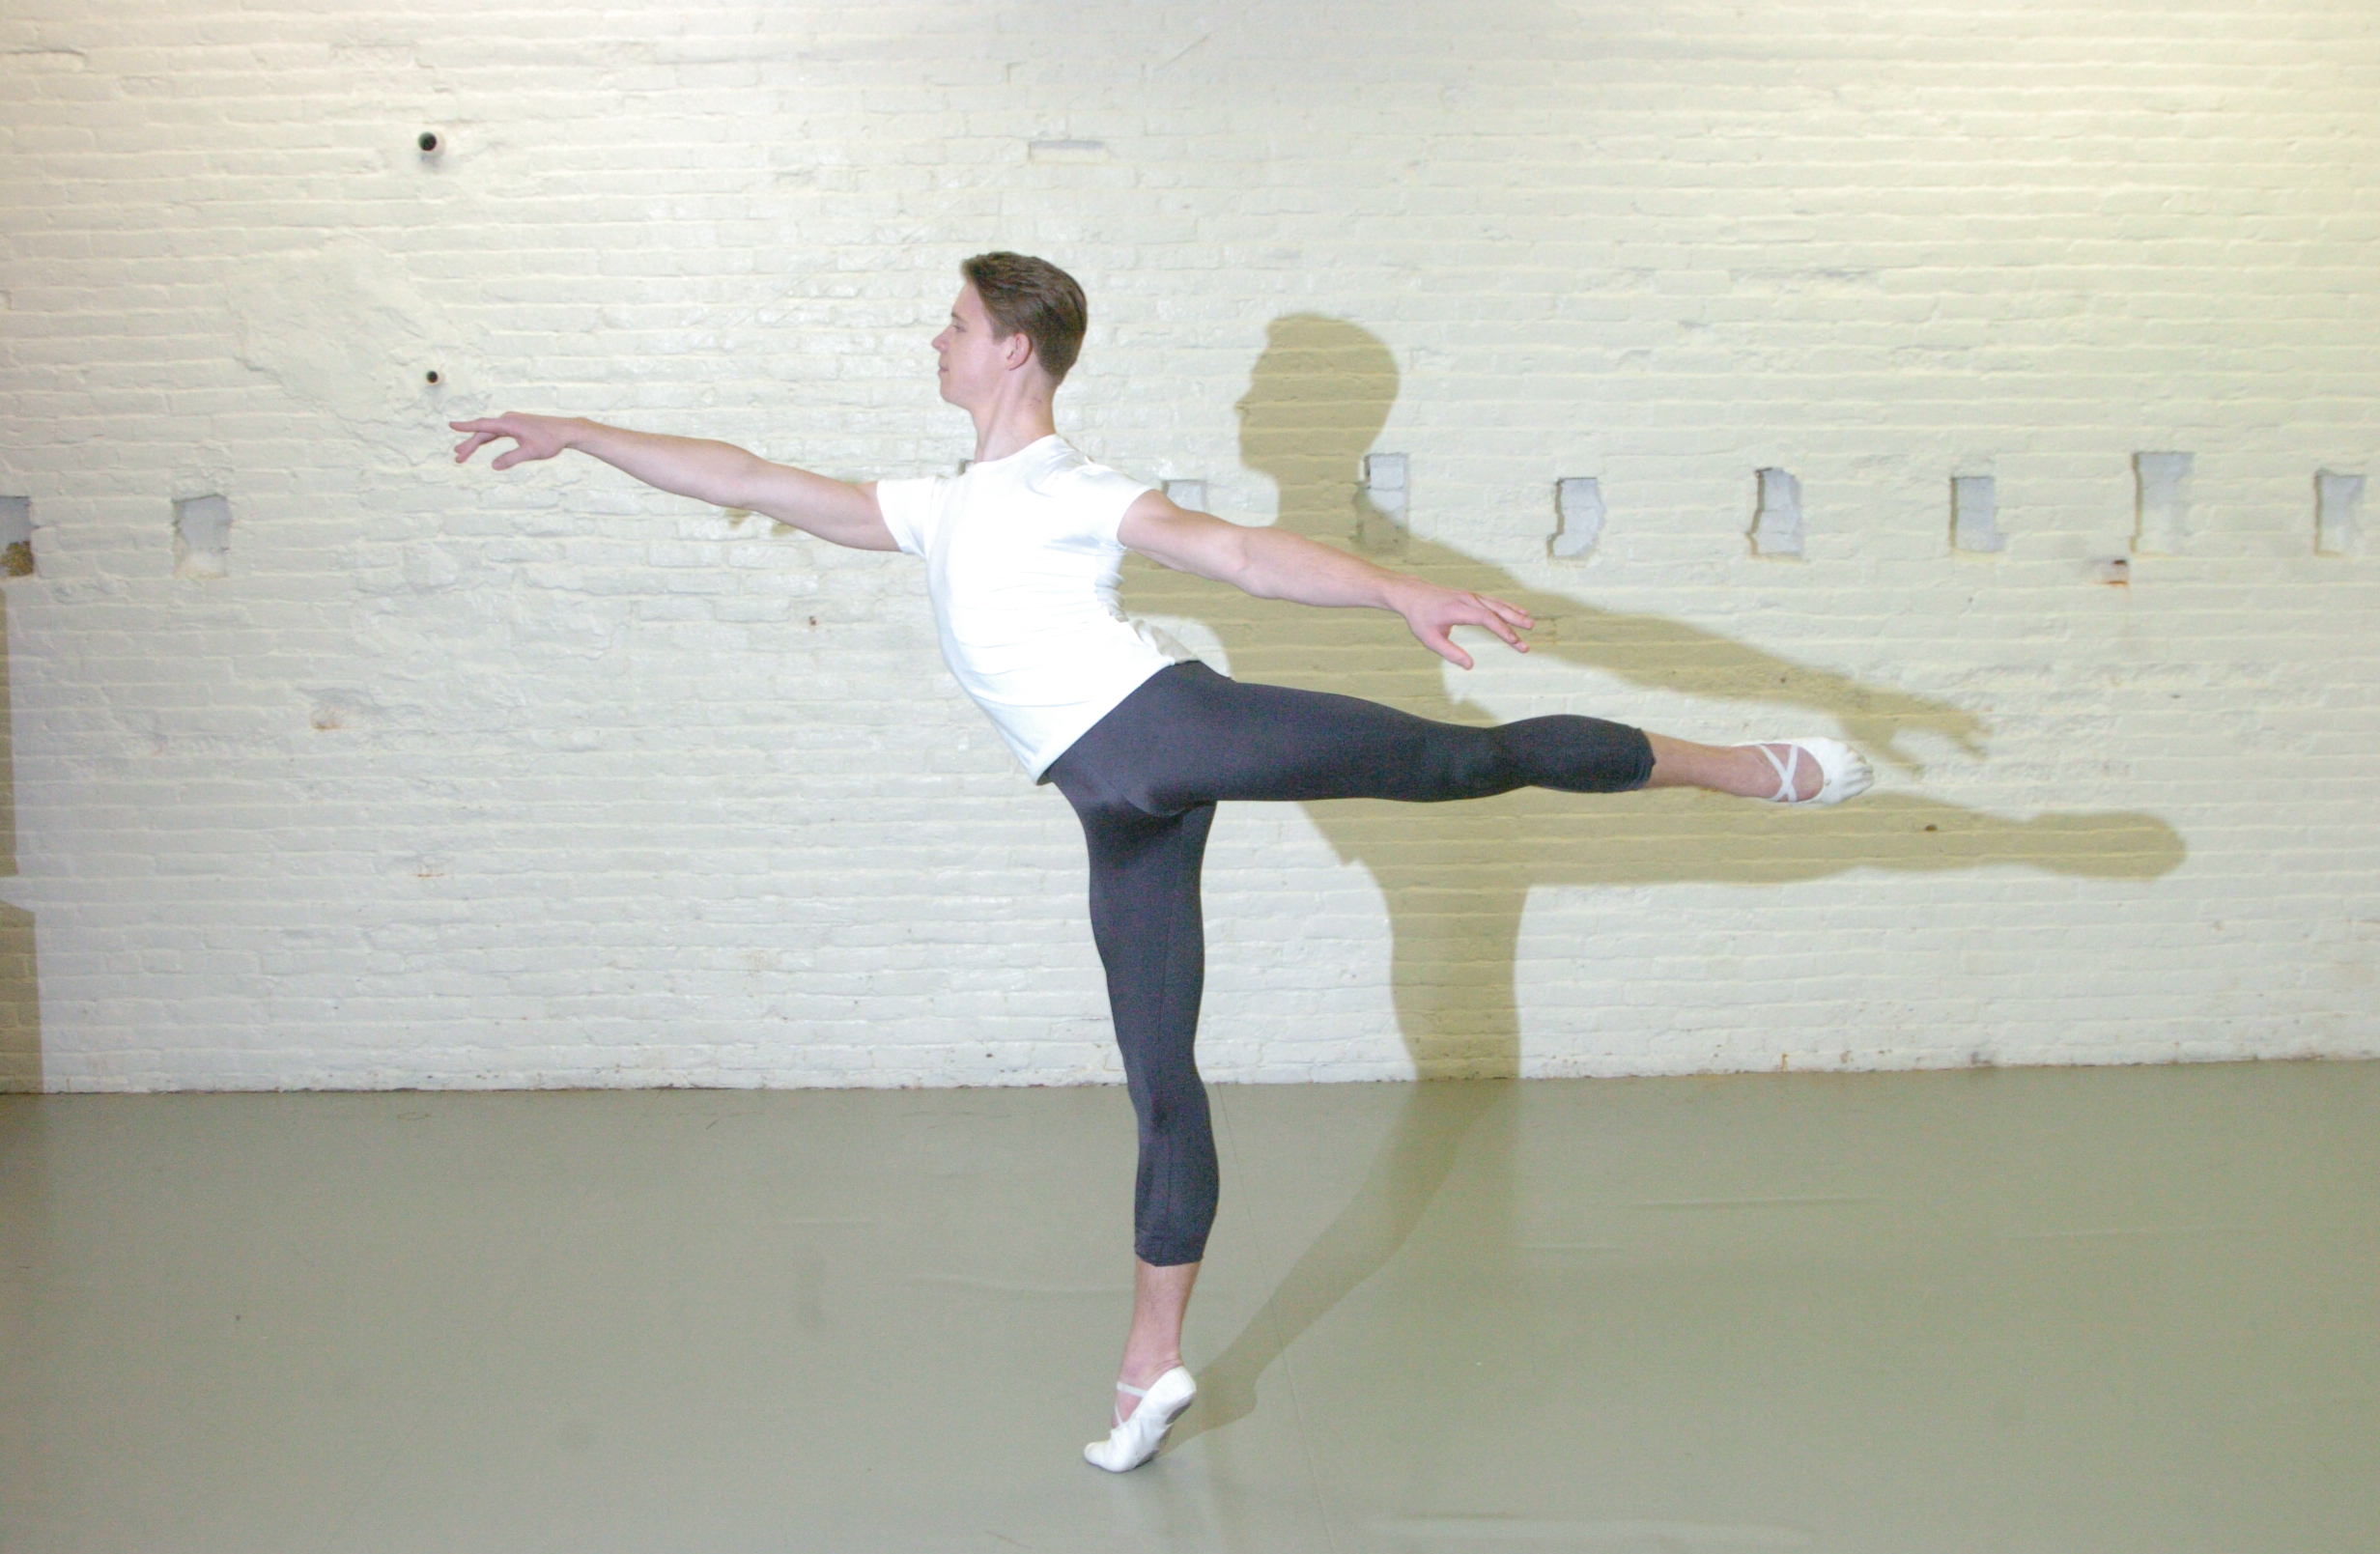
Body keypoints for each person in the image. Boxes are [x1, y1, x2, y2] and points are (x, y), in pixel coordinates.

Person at [451, 251, 1872, 1474]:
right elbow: (751, 479)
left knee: (1464, 761)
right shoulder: (939, 506)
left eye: (954, 324)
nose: (935, 341)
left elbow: (1240, 558)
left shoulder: (1072, 487)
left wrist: (1394, 589)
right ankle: (1150, 1371)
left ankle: (1750, 767)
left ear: (1014, 346)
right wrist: (576, 431)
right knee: (1159, 1077)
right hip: (1113, 800)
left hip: (1169, 728)